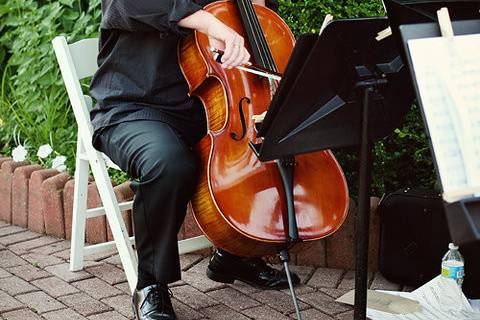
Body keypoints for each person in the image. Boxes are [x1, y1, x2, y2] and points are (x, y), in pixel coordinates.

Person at [89, 1, 299, 319]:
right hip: (135, 106)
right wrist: (210, 24)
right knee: (168, 164)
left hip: (212, 102)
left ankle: (235, 253)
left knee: (267, 145)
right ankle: (151, 284)